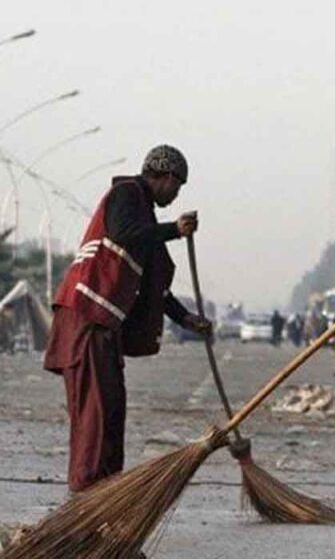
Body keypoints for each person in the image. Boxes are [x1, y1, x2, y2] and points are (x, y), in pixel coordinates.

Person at [43, 145, 211, 493]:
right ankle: (86, 503)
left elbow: (155, 287)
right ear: (165, 177)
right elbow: (122, 233)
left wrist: (187, 320)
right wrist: (174, 230)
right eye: (177, 187)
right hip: (85, 317)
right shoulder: (126, 194)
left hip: (104, 327)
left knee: (112, 412)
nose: (176, 195)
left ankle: (106, 496)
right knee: (95, 418)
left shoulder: (145, 218)